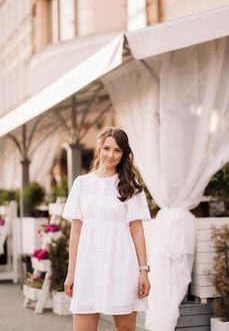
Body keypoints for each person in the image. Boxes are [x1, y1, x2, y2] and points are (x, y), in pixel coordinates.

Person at [63, 127, 151, 331]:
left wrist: (143, 271)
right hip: (87, 266)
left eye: (118, 150)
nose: (111, 155)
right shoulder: (81, 184)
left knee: (125, 329)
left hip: (122, 264)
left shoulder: (130, 185)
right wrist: (71, 273)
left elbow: (137, 231)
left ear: (124, 153)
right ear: (99, 148)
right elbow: (76, 232)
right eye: (107, 148)